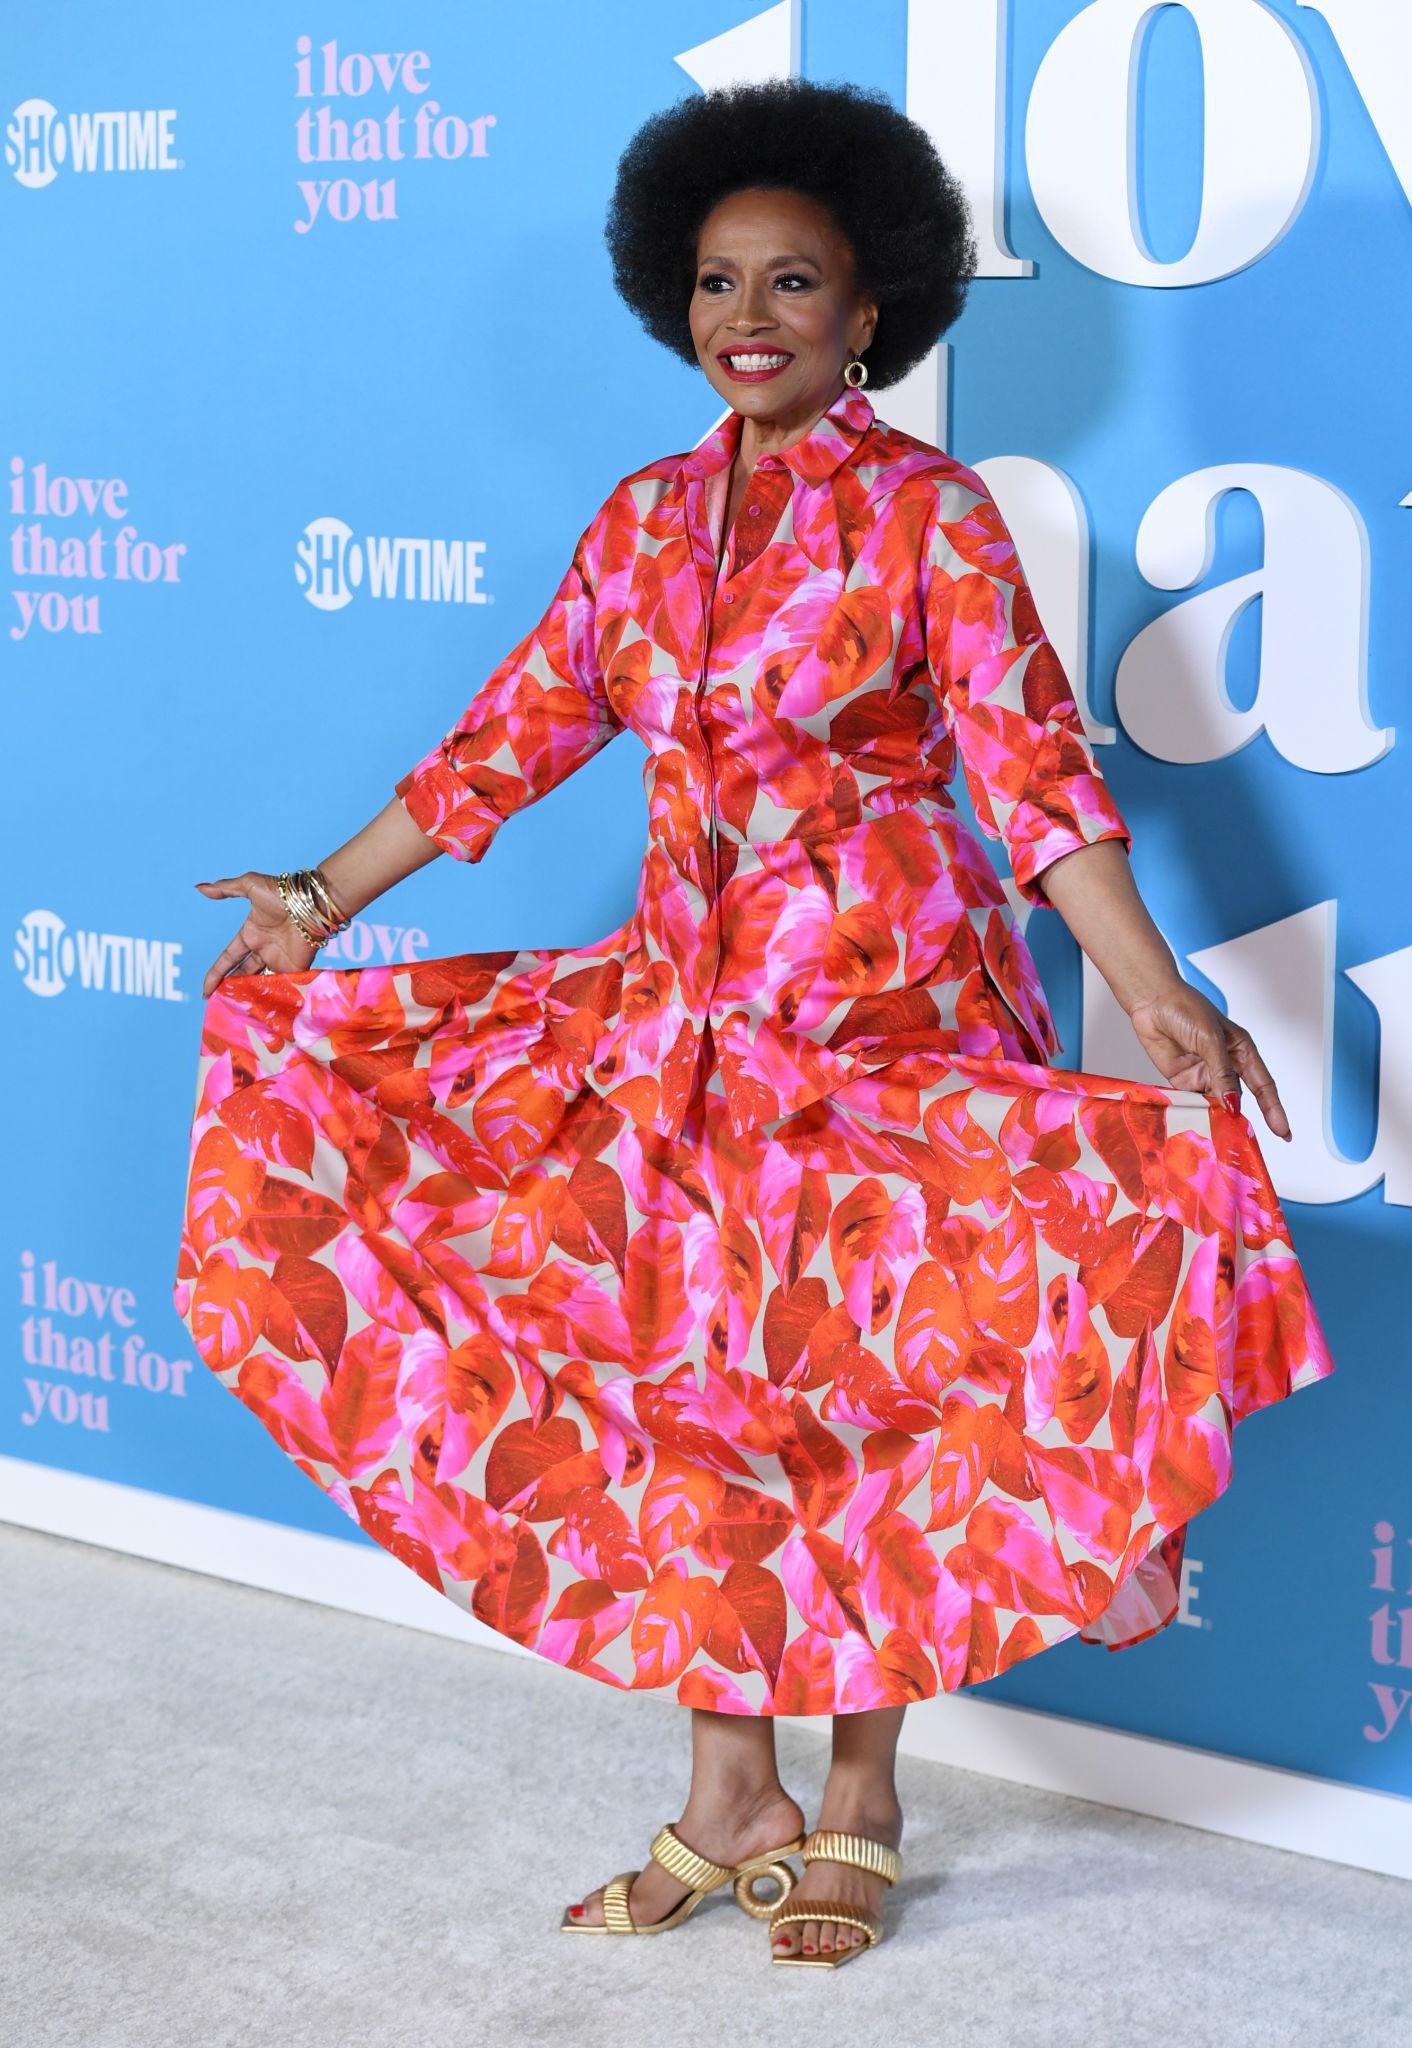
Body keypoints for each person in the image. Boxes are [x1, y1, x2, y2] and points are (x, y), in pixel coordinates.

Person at [175, 79, 1335, 1969]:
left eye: (795, 282)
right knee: (698, 1400)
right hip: (685, 1034)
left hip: (895, 1022)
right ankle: (735, 1795)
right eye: (718, 281)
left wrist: (1156, 993)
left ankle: (863, 1790)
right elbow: (508, 739)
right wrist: (319, 899)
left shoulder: (932, 518)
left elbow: (1036, 784)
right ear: (673, 298)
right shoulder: (641, 524)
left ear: (870, 310)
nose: (751, 316)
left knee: (876, 1395)